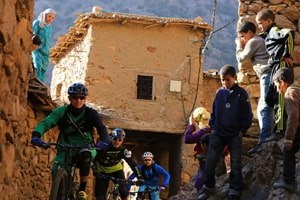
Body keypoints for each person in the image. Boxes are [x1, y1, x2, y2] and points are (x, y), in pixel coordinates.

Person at [31, 82, 110, 200]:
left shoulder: (91, 113)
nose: (78, 100)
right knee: (56, 169)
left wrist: (105, 141)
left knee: (86, 155)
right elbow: (47, 122)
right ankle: (59, 193)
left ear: (85, 99)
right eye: (75, 97)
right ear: (69, 98)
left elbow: (101, 128)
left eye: (81, 98)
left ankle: (82, 189)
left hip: (86, 146)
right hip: (65, 146)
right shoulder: (61, 111)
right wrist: (37, 135)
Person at [197, 65, 253, 200]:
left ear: (234, 78)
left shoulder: (241, 94)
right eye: (223, 80)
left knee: (235, 162)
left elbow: (247, 114)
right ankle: (209, 187)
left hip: (234, 134)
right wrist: (213, 126)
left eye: (227, 80)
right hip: (219, 133)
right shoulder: (219, 93)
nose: (225, 83)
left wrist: (242, 131)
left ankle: (234, 189)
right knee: (210, 161)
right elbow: (214, 111)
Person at [255, 9, 294, 142]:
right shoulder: (268, 33)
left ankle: (280, 130)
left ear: (269, 21)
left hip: (281, 66)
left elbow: (289, 33)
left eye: (261, 23)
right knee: (270, 98)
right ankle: (277, 127)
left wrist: (287, 54)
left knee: (280, 99)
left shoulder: (275, 31)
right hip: (275, 67)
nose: (259, 26)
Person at [235, 20, 273, 154]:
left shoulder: (254, 41)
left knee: (264, 107)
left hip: (267, 75)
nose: (241, 39)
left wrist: (238, 46)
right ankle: (265, 138)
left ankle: (264, 140)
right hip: (268, 74)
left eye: (242, 36)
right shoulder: (258, 40)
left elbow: (242, 58)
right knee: (266, 106)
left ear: (250, 33)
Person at [93, 128, 144, 200]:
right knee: (100, 196)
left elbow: (132, 163)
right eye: (115, 139)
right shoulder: (104, 147)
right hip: (102, 171)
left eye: (120, 140)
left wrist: (140, 177)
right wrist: (94, 168)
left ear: (122, 141)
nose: (117, 142)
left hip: (116, 171)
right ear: (112, 138)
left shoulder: (123, 150)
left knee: (124, 191)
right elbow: (93, 159)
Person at [184, 107, 227, 191]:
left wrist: (191, 125)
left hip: (207, 160)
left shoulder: (204, 131)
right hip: (217, 158)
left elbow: (187, 139)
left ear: (197, 121)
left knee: (201, 181)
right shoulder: (214, 129)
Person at [272, 68, 299, 192]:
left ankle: (288, 181)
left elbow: (293, 115)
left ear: (282, 83)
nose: (278, 90)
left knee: (288, 149)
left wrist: (288, 138)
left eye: (277, 86)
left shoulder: (289, 93)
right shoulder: (297, 90)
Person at [32, 8, 56, 82]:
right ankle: (35, 82)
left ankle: (40, 84)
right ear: (44, 15)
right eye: (49, 16)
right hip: (37, 50)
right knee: (37, 66)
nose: (50, 19)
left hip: (45, 52)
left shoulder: (49, 27)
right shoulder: (37, 23)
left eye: (53, 18)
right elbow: (33, 34)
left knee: (43, 70)